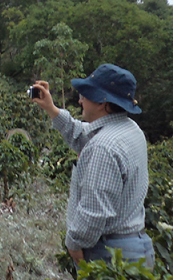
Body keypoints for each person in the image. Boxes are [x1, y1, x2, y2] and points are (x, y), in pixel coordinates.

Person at [32, 64, 153, 267]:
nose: (80, 99)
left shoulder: (103, 147)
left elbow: (94, 212)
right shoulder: (130, 129)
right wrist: (52, 109)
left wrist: (74, 245)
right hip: (138, 246)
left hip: (112, 255)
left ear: (102, 102)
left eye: (86, 94)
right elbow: (82, 133)